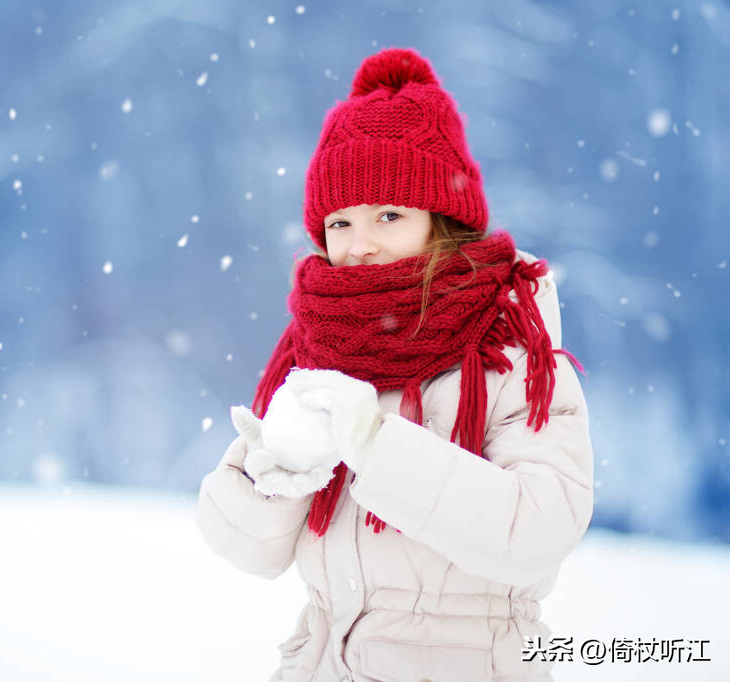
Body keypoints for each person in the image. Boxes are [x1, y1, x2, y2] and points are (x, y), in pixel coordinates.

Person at [195, 47, 594, 682]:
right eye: (340, 221)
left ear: (445, 220)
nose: (360, 245)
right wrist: (273, 475)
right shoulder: (318, 345)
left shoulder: (510, 346)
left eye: (388, 214)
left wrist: (378, 448)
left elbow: (540, 528)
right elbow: (248, 550)